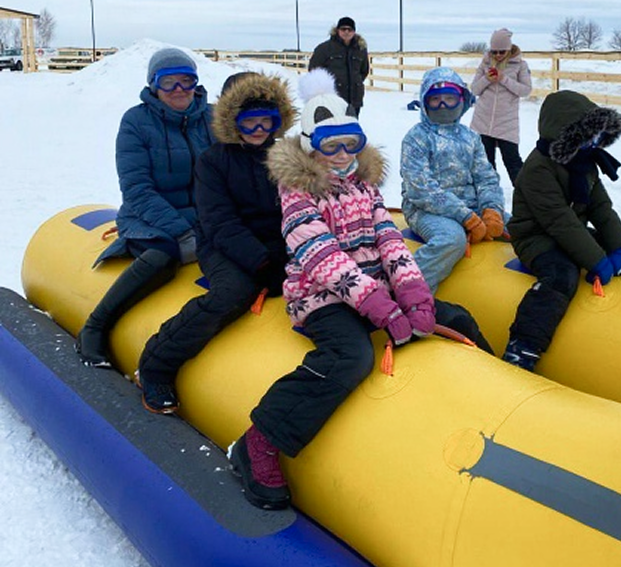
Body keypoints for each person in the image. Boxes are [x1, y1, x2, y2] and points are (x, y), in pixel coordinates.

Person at [228, 69, 486, 510]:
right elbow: (321, 256)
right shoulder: (297, 192)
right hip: (322, 296)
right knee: (350, 357)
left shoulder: (364, 186)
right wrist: (380, 307)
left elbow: (389, 241)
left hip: (375, 291)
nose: (343, 154)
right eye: (331, 146)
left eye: (351, 143)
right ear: (310, 146)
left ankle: (491, 397)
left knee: (455, 317)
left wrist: (413, 294)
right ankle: (260, 441)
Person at [137, 71, 295, 412]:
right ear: (229, 119)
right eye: (248, 122)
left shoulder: (288, 157)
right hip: (225, 245)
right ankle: (157, 363)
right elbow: (219, 222)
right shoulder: (213, 162)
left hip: (280, 244)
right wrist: (262, 262)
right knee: (232, 292)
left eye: (266, 121)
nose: (258, 130)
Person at [76, 48, 214, 367]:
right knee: (164, 255)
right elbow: (137, 189)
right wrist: (182, 232)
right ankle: (96, 326)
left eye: (186, 80)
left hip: (204, 215)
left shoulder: (212, 118)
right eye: (168, 82)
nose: (179, 89)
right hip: (149, 216)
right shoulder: (136, 122)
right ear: (153, 85)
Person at [503, 90, 621, 372]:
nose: (595, 142)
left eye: (597, 135)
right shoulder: (537, 170)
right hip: (536, 238)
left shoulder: (584, 163)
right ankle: (522, 346)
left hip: (570, 233)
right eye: (588, 135)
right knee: (561, 275)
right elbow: (560, 222)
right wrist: (597, 260)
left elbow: (602, 209)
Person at [400, 66, 506, 295]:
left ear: (462, 100)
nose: (443, 105)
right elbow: (420, 188)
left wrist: (492, 210)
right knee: (451, 239)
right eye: (435, 100)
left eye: (449, 99)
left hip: (470, 206)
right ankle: (409, 292)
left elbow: (486, 177)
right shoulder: (416, 138)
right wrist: (465, 217)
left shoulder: (471, 137)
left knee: (521, 225)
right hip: (426, 210)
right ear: (425, 102)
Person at [470, 27, 532, 185]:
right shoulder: (485, 63)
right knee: (486, 165)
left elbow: (526, 90)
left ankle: (526, 195)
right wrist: (487, 79)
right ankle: (490, 195)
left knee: (513, 163)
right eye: (494, 51)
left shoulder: (520, 65)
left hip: (507, 123)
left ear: (509, 49)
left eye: (502, 51)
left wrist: (503, 79)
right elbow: (475, 89)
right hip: (482, 122)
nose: (498, 55)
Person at [307, 16, 370, 117]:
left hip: (354, 100)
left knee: (351, 125)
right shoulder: (324, 48)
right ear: (337, 30)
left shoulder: (360, 50)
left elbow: (364, 71)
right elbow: (314, 71)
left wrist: (355, 82)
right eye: (343, 29)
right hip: (332, 99)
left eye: (350, 29)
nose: (346, 32)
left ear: (354, 32)